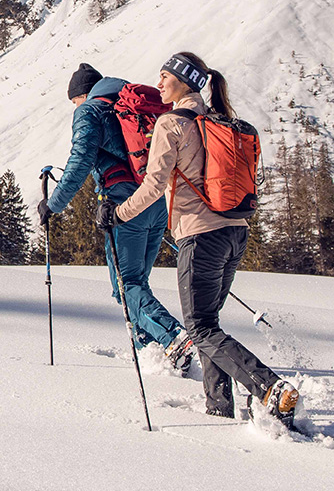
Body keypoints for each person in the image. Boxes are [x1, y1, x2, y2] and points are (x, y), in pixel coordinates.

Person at [112, 52, 298, 423]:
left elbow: (154, 184)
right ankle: (219, 407)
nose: (159, 83)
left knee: (199, 327)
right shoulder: (218, 120)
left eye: (165, 76)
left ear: (183, 81)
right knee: (208, 322)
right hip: (235, 233)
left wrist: (117, 213)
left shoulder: (172, 124)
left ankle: (269, 388)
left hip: (201, 236)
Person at [36, 62, 193, 374]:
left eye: (74, 101)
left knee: (126, 286)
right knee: (136, 284)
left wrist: (52, 205)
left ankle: (172, 337)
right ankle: (153, 352)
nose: (74, 107)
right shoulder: (129, 105)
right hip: (155, 202)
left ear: (82, 95)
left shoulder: (90, 111)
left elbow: (80, 161)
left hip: (123, 208)